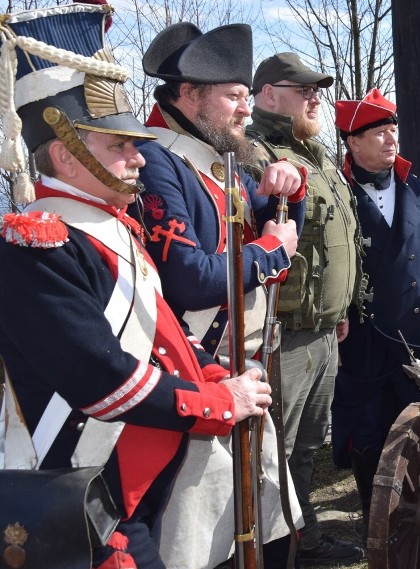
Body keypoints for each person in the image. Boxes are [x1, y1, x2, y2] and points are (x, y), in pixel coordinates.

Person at [0, 4, 272, 567]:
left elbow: (158, 337)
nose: (137, 160)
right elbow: (104, 382)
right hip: (82, 493)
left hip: (132, 486)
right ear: (63, 154)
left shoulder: (107, 228)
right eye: (117, 147)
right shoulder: (36, 245)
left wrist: (212, 369)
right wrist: (220, 401)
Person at [136, 23, 306, 567]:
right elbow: (190, 277)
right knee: (194, 540)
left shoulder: (208, 154)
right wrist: (272, 253)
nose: (245, 110)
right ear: (189, 94)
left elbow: (269, 222)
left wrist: (289, 187)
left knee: (255, 522)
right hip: (194, 368)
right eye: (233, 96)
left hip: (240, 366)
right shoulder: (158, 161)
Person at [246, 53, 365, 564]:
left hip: (323, 331)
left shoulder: (318, 156)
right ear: (268, 95)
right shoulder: (254, 154)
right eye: (303, 89)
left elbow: (336, 243)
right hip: (283, 333)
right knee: (273, 450)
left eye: (317, 90)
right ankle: (275, 550)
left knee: (306, 450)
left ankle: (303, 538)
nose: (315, 97)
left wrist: (340, 311)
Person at [331, 88, 420, 531]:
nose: (392, 139)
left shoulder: (418, 189)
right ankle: (376, 519)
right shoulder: (339, 194)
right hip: (366, 337)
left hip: (418, 335)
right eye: (380, 132)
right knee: (368, 429)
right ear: (352, 142)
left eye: (393, 130)